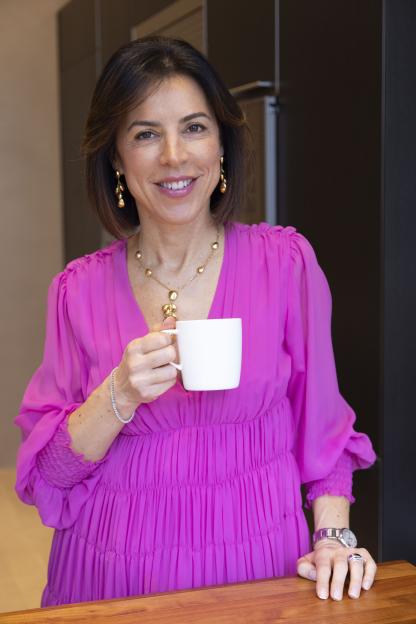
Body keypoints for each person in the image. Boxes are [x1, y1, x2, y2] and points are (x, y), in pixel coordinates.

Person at [15, 36, 377, 607]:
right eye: (145, 134)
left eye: (194, 127)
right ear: (115, 157)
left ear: (222, 144)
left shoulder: (284, 265)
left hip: (258, 572)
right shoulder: (76, 290)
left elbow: (324, 435)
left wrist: (333, 537)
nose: (174, 157)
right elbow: (48, 479)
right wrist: (119, 393)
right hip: (110, 585)